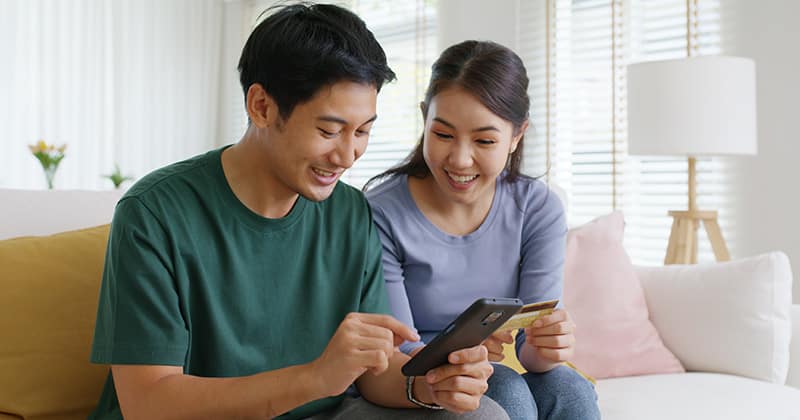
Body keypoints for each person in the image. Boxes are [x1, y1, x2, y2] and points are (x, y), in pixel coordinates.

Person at [88, 5, 509, 419]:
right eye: (329, 130)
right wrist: (315, 378)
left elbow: (374, 374)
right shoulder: (154, 214)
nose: (348, 155)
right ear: (262, 106)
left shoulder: (349, 213)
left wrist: (429, 383)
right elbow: (149, 403)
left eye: (362, 131)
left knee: (479, 415)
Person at [364, 40, 601, 420]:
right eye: (442, 134)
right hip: (421, 380)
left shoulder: (538, 209)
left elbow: (531, 353)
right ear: (425, 118)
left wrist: (548, 345)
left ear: (516, 136)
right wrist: (463, 351)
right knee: (505, 389)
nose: (459, 159)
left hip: (494, 367)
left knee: (568, 388)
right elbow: (401, 350)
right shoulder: (381, 212)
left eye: (484, 141)